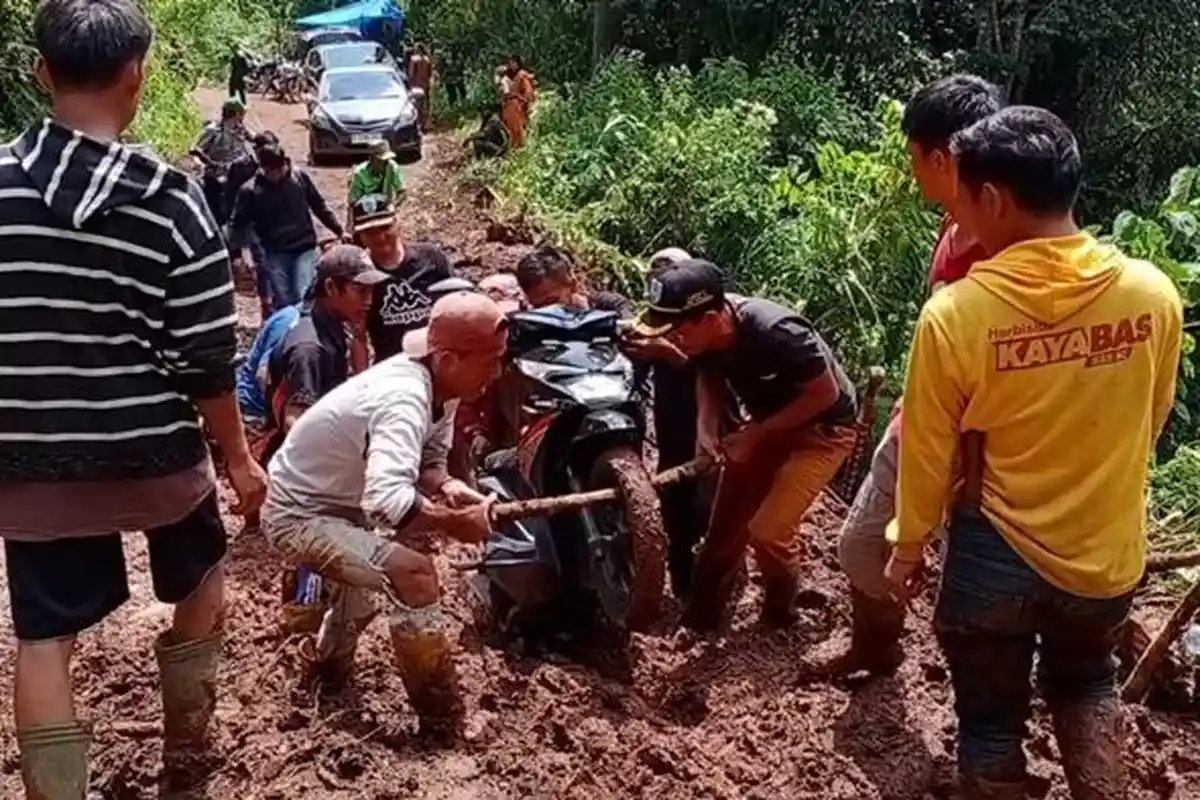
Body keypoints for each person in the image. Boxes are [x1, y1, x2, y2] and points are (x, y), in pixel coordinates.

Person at [0, 0, 267, 794]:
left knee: (44, 637)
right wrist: (241, 462)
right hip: (154, 455)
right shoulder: (172, 200)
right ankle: (185, 752)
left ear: (42, 72)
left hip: (30, 458)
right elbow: (207, 360)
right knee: (202, 579)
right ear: (136, 76)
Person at [886, 106, 1182, 799]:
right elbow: (1152, 416)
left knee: (989, 723)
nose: (956, 213)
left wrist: (908, 547)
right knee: (1087, 683)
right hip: (1106, 555)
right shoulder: (1152, 295)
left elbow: (928, 450)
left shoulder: (957, 315)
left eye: (962, 196)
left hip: (995, 557)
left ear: (992, 198)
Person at [261, 293, 509, 740]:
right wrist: (455, 523)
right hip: (298, 513)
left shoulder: (443, 387)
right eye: (490, 361)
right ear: (449, 358)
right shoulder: (404, 399)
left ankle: (324, 673)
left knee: (359, 602)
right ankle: (442, 719)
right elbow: (387, 502)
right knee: (414, 575)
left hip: (341, 504)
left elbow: (429, 464)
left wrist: (451, 488)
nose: (497, 373)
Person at [831, 74, 1005, 677]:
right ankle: (877, 645)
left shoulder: (1006, 249)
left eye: (913, 157)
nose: (911, 171)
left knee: (967, 595)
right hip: (919, 416)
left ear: (939, 157)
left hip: (972, 443)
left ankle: (982, 732)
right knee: (859, 549)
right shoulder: (954, 222)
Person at [634, 260, 859, 630]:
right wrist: (705, 428)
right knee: (724, 529)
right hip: (768, 424)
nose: (670, 339)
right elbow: (708, 376)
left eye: (675, 330)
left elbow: (823, 394)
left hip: (822, 432)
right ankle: (701, 620)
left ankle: (779, 611)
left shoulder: (777, 332)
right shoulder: (704, 338)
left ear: (708, 319)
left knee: (769, 530)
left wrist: (755, 435)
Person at [228, 143, 347, 311]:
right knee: (285, 300)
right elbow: (238, 223)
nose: (276, 175)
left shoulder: (299, 178)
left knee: (303, 293)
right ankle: (289, 332)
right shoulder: (250, 191)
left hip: (304, 246)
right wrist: (238, 253)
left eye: (279, 169)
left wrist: (338, 229)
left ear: (285, 164)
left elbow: (319, 206)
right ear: (262, 169)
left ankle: (307, 330)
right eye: (271, 171)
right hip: (274, 251)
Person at [353, 193, 456, 360]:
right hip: (393, 367)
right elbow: (358, 336)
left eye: (385, 227)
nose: (380, 237)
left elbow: (457, 304)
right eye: (370, 232)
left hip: (439, 359)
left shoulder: (431, 257)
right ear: (360, 236)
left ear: (396, 224)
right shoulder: (362, 275)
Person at [514, 244, 632, 313]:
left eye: (552, 301)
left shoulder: (610, 305)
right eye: (538, 306)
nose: (547, 311)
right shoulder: (530, 321)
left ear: (572, 284)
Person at [191, 97, 253, 224]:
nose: (244, 116)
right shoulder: (213, 131)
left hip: (235, 178)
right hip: (215, 178)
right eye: (242, 113)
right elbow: (195, 151)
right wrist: (207, 164)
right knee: (214, 213)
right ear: (236, 114)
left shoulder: (241, 130)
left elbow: (254, 141)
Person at [347, 140, 405, 224]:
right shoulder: (359, 173)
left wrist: (394, 205)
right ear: (371, 159)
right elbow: (352, 203)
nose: (384, 163)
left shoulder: (392, 167)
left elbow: (402, 192)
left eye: (386, 160)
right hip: (365, 213)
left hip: (386, 209)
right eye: (380, 161)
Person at [496, 55, 536, 150]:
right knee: (509, 128)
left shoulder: (522, 75)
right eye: (511, 63)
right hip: (508, 105)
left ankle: (520, 146)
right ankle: (512, 146)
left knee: (517, 127)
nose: (512, 65)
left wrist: (523, 100)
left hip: (517, 104)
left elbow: (528, 92)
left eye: (514, 63)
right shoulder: (509, 76)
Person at [407, 42, 433, 130]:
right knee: (425, 104)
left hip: (416, 86)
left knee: (416, 105)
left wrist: (409, 83)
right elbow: (430, 74)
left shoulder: (413, 59)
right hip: (425, 85)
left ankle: (417, 124)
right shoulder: (427, 59)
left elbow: (411, 74)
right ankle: (425, 124)